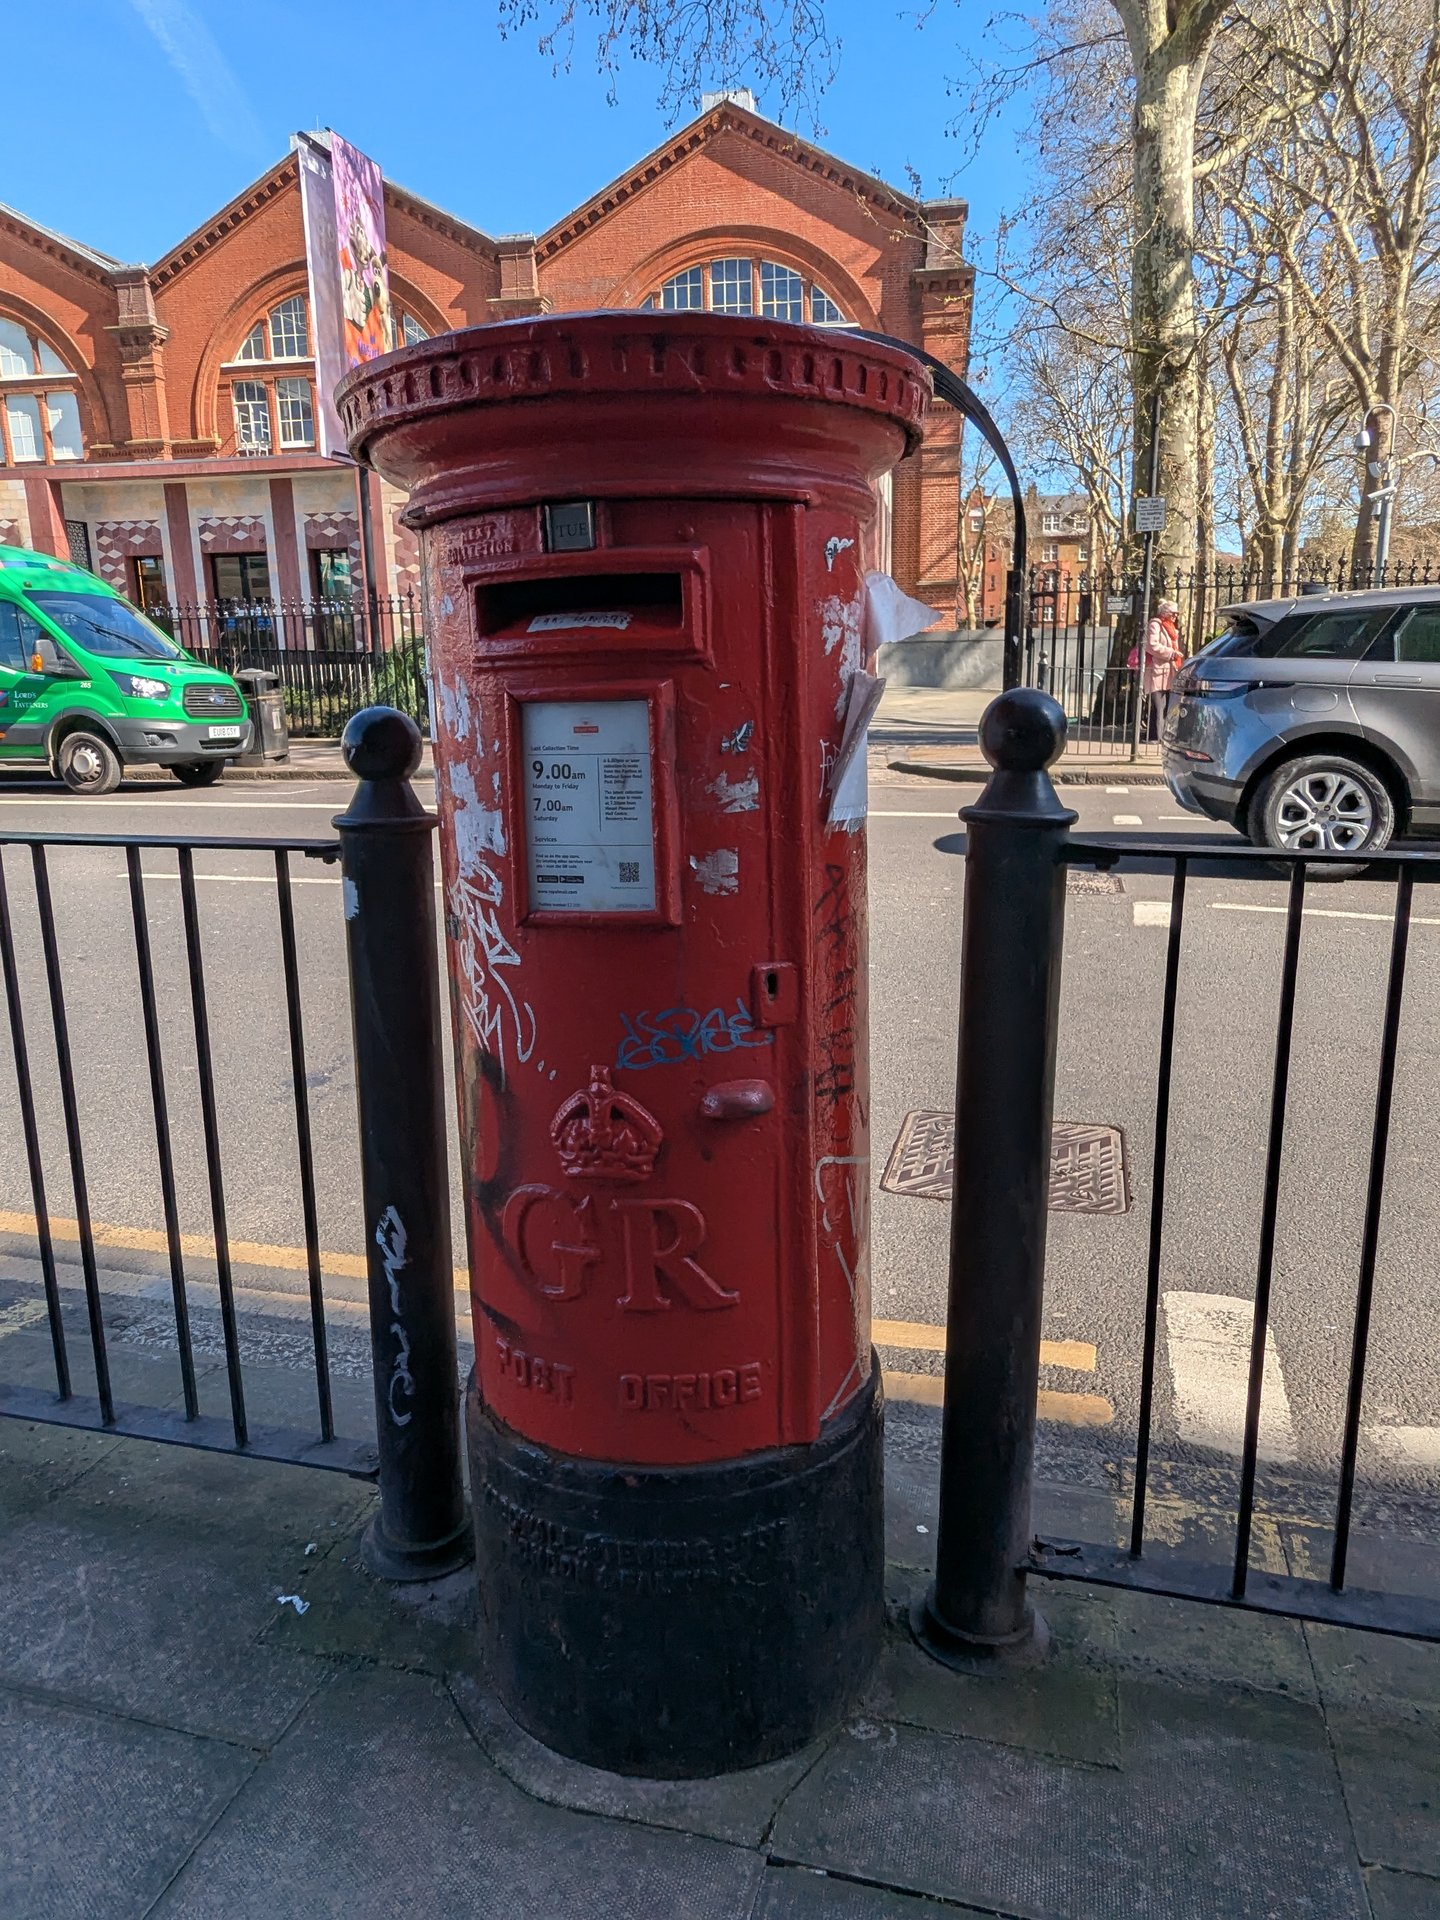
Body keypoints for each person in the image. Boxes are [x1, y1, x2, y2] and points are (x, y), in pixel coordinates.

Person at [1129, 599, 1184, 741]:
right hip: (1156, 669)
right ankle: (1155, 736)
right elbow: (1151, 645)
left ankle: (1161, 735)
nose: (1175, 616)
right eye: (1173, 613)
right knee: (1158, 705)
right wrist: (1171, 653)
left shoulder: (1172, 628)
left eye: (1177, 614)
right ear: (1165, 612)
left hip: (1169, 671)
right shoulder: (1155, 625)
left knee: (1166, 706)